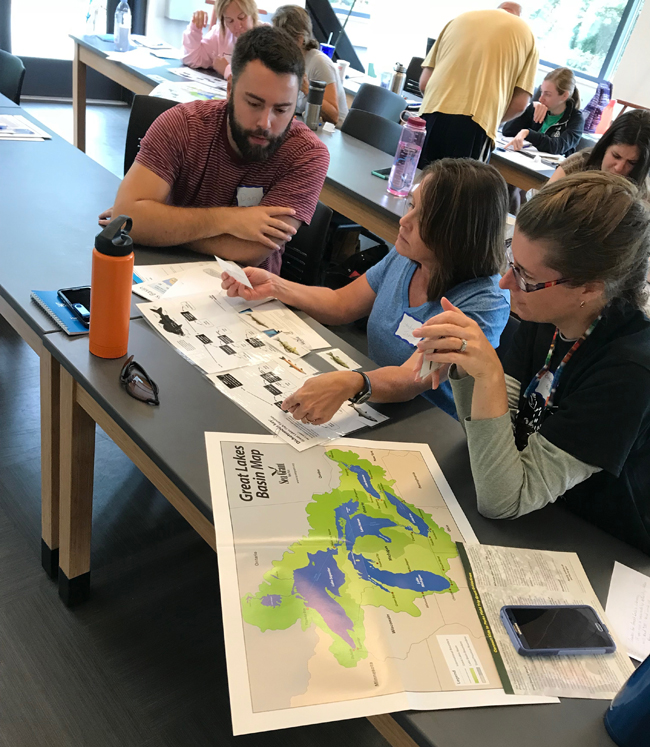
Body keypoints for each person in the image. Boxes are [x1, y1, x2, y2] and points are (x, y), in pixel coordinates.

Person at [415, 172, 650, 553]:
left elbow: (503, 500)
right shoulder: (546, 315)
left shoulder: (629, 372)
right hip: (537, 516)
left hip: (598, 544)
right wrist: (464, 365)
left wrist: (488, 375)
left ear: (590, 287)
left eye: (525, 275)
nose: (506, 282)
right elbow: (490, 446)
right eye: (511, 258)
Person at [221, 159, 511, 421]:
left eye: (422, 218)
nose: (404, 221)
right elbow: (341, 304)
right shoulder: (408, 256)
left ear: (456, 233)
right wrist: (275, 285)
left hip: (428, 424)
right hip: (377, 402)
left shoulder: (486, 300)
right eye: (411, 206)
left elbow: (412, 379)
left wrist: (352, 382)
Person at [108, 26, 330, 275]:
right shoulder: (183, 124)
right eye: (254, 103)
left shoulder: (307, 154)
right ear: (231, 88)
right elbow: (127, 218)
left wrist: (157, 227)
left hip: (244, 291)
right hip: (159, 274)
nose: (265, 123)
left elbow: (252, 251)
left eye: (281, 109)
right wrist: (229, 220)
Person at [417, 9, 538, 166]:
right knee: (460, 181)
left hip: (430, 114)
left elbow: (424, 83)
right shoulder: (527, 35)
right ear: (519, 15)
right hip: (476, 123)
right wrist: (493, 121)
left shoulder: (459, 19)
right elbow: (519, 105)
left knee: (416, 177)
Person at [272, 5, 348, 127]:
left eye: (283, 40)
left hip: (332, 131)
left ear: (300, 39)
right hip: (306, 125)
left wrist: (308, 89)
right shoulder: (290, 60)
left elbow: (334, 116)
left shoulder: (319, 62)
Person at [549, 109, 650, 199]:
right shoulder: (577, 163)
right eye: (616, 156)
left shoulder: (643, 190)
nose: (619, 168)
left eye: (632, 162)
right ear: (605, 147)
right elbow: (544, 204)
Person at [502, 67, 584, 155]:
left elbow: (557, 147)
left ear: (564, 96)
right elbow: (507, 131)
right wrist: (528, 108)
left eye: (547, 94)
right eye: (541, 92)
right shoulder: (537, 108)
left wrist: (528, 133)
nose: (541, 99)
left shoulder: (576, 119)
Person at [182, 0, 259, 78]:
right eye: (230, 21)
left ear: (252, 13)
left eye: (242, 17)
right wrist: (195, 28)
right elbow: (192, 59)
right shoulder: (221, 34)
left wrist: (227, 70)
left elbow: (258, 81)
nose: (238, 26)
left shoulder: (264, 38)